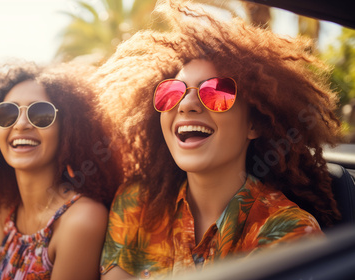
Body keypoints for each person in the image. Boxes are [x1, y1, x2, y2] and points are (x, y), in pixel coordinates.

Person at [93, 1, 343, 279]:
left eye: (215, 92)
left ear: (254, 124)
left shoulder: (288, 233)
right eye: (172, 92)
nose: (186, 105)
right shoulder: (134, 203)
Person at [0, 60, 122, 280]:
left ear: (68, 128)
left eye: (41, 114)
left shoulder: (81, 220)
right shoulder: (6, 209)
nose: (21, 124)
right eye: (7, 113)